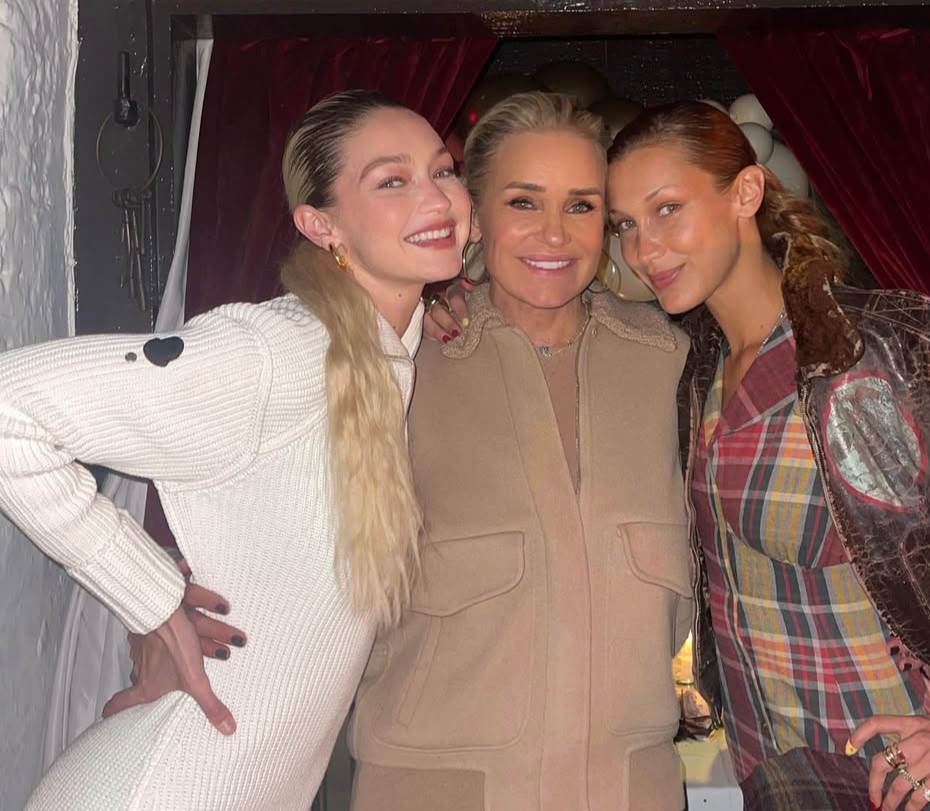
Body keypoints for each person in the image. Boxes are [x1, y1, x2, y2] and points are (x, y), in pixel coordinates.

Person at [0, 88, 470, 810]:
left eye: (442, 171)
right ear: (320, 224)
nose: (435, 197)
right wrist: (151, 599)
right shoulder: (278, 351)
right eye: (392, 180)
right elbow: (10, 409)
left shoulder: (387, 356)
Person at [603, 100, 930, 811]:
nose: (643, 250)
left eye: (667, 209)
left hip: (905, 782)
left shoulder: (906, 351)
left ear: (746, 192)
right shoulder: (695, 372)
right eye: (624, 225)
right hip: (776, 774)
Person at [347, 91, 694, 811]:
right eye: (524, 202)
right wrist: (165, 614)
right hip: (433, 790)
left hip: (629, 790)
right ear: (474, 214)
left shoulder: (672, 361)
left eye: (581, 205)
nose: (555, 234)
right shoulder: (403, 361)